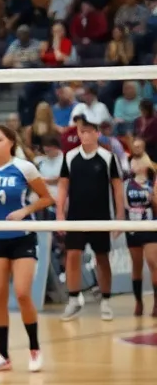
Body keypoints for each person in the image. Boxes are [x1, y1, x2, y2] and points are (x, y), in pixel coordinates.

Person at [0, 125, 53, 373]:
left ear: (10, 143)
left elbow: (47, 198)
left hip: (22, 237)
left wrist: (24, 211)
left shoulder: (24, 167)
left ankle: (34, 349)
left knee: (22, 293)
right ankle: (3, 356)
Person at [57, 116, 125, 321]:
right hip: (76, 217)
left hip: (101, 217)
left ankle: (105, 301)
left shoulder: (108, 157)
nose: (84, 135)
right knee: (72, 256)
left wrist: (120, 216)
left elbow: (117, 186)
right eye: (81, 132)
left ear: (97, 133)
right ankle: (74, 299)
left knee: (102, 258)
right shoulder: (69, 157)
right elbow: (62, 185)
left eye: (89, 131)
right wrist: (60, 213)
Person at [123, 166, 157, 317]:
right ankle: (138, 301)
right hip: (133, 227)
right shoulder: (127, 183)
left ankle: (156, 302)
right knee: (136, 265)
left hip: (150, 226)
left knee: (153, 262)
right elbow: (124, 204)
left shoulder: (152, 183)